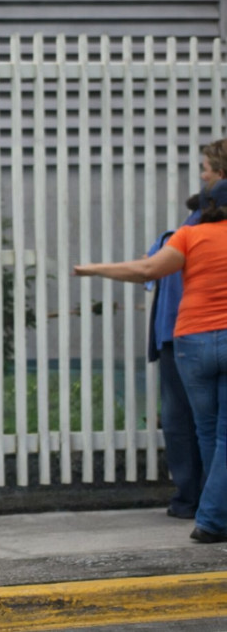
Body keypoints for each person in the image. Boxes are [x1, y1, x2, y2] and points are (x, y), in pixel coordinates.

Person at [74, 140, 227, 544]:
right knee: (221, 434)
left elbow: (146, 269)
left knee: (206, 432)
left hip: (190, 341)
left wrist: (93, 269)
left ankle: (210, 515)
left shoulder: (188, 235)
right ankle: (212, 518)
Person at [145, 192, 204, 520]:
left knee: (180, 420)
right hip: (209, 334)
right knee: (209, 425)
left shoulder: (177, 237)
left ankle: (188, 498)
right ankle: (208, 499)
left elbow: (148, 271)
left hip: (177, 335)